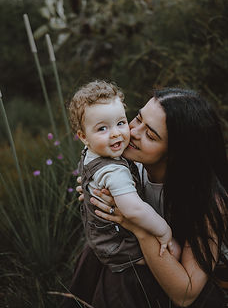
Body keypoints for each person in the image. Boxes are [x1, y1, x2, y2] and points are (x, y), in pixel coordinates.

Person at [62, 87, 228, 308]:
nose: (132, 132)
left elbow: (186, 294)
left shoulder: (207, 201)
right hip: (152, 260)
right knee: (107, 257)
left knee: (125, 273)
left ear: (177, 153)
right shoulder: (128, 167)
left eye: (150, 134)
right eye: (137, 118)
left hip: (195, 290)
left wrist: (140, 229)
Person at [68, 80, 173, 273]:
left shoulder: (92, 151)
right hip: (121, 248)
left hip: (102, 244)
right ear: (83, 137)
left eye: (121, 123)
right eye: (102, 128)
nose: (116, 133)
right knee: (166, 257)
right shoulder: (114, 171)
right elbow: (133, 209)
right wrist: (163, 229)